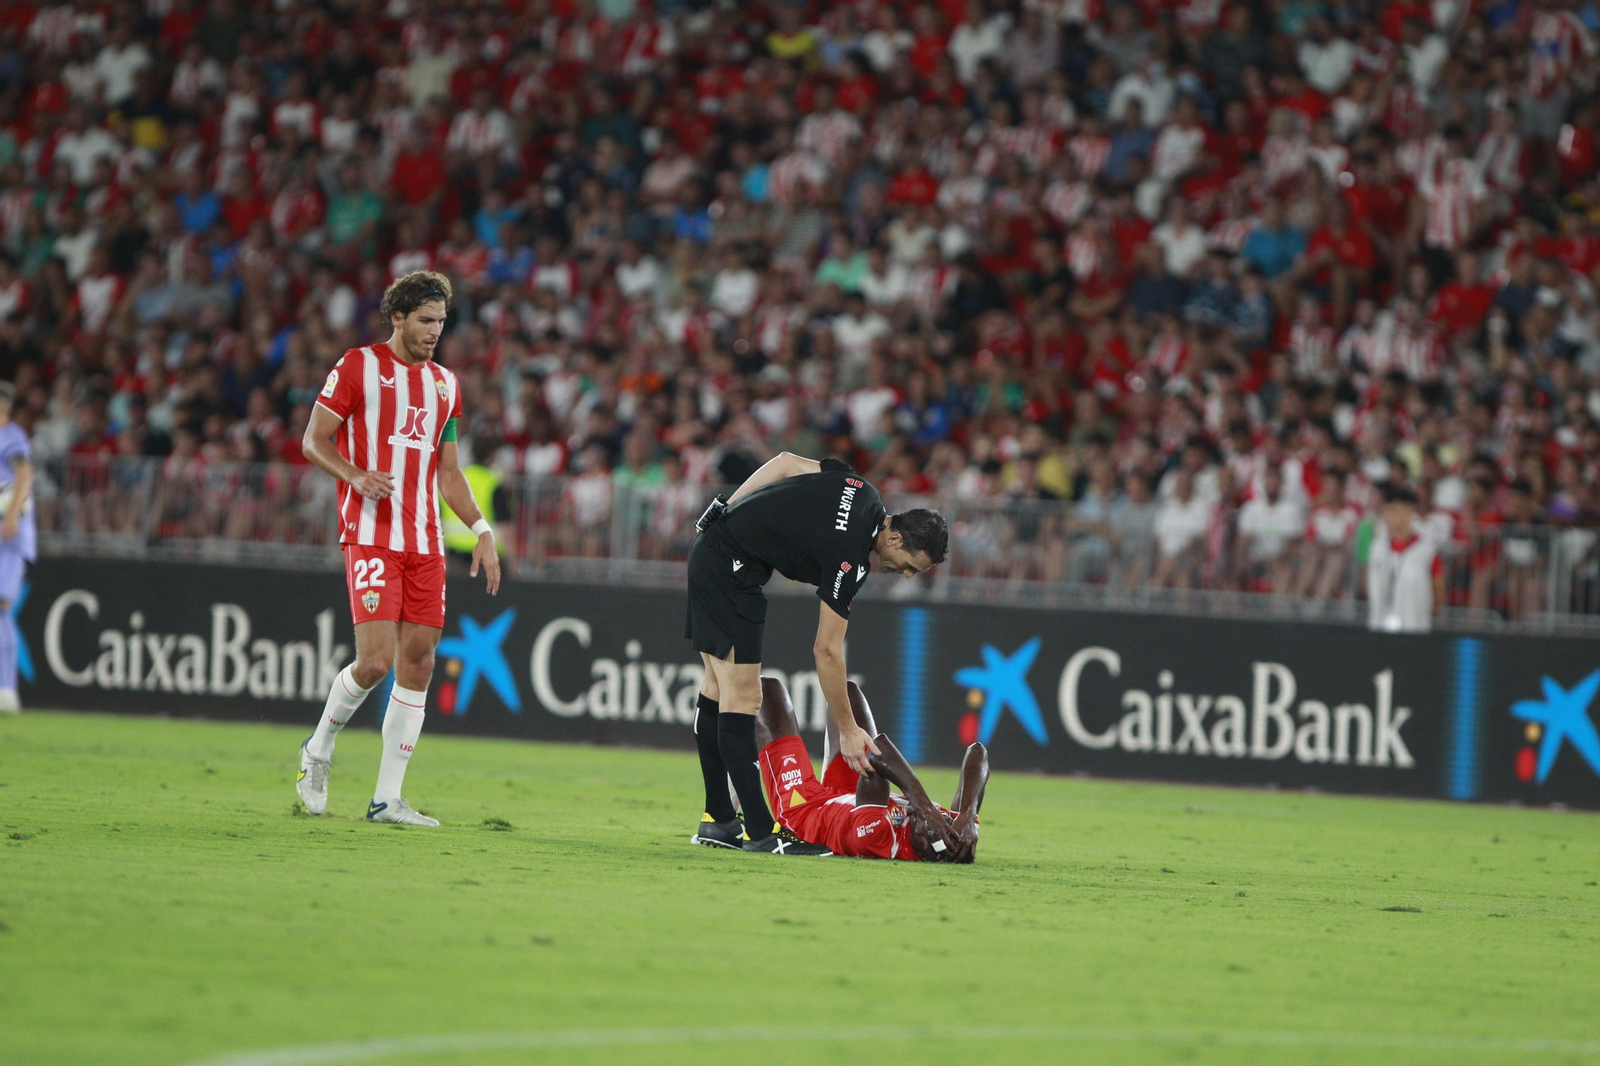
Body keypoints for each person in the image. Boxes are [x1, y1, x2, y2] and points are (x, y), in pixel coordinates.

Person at [295, 271, 502, 826]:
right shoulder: (358, 365)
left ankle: (387, 798)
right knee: (375, 660)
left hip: (426, 542)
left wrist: (482, 530)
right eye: (425, 320)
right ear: (398, 316)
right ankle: (317, 750)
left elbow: (450, 473)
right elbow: (314, 439)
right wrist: (355, 475)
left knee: (419, 662)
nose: (435, 331)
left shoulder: (445, 385)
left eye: (441, 321)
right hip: (369, 535)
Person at [685, 451, 947, 853]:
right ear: (894, 538)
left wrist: (727, 509)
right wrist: (847, 728)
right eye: (912, 565)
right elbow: (826, 650)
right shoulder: (851, 559)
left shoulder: (863, 491)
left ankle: (718, 820)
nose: (908, 575)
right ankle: (759, 833)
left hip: (715, 554)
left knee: (717, 690)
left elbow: (787, 461)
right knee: (744, 696)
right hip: (730, 572)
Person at [753, 675, 986, 862]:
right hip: (849, 794)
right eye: (947, 819)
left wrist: (924, 807)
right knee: (846, 691)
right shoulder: (950, 830)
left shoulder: (879, 837)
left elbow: (876, 760)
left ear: (924, 846)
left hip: (808, 810)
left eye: (941, 825)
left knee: (766, 691)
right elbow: (978, 752)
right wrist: (967, 813)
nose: (943, 818)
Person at [1367, 483, 1442, 633]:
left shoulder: (1426, 550)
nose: (1388, 516)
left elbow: (1438, 591)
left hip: (1414, 626)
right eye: (1386, 511)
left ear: (1409, 512)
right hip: (1379, 625)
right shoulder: (1378, 547)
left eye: (1394, 511)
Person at [0, 383, 33, 713]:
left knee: (0, 605)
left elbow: (24, 472)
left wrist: (11, 515)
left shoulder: (11, 437)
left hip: (9, 536)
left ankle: (6, 689)